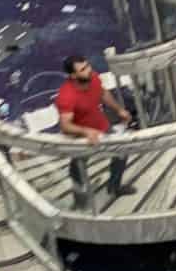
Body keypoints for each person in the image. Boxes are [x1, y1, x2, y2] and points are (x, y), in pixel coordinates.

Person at [55, 53, 133, 207]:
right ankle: (80, 200)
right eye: (83, 69)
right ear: (72, 75)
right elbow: (65, 125)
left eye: (88, 65)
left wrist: (119, 110)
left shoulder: (93, 77)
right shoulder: (67, 95)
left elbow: (103, 94)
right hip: (80, 136)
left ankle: (114, 187)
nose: (89, 70)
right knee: (77, 167)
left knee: (121, 152)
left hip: (101, 126)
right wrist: (86, 132)